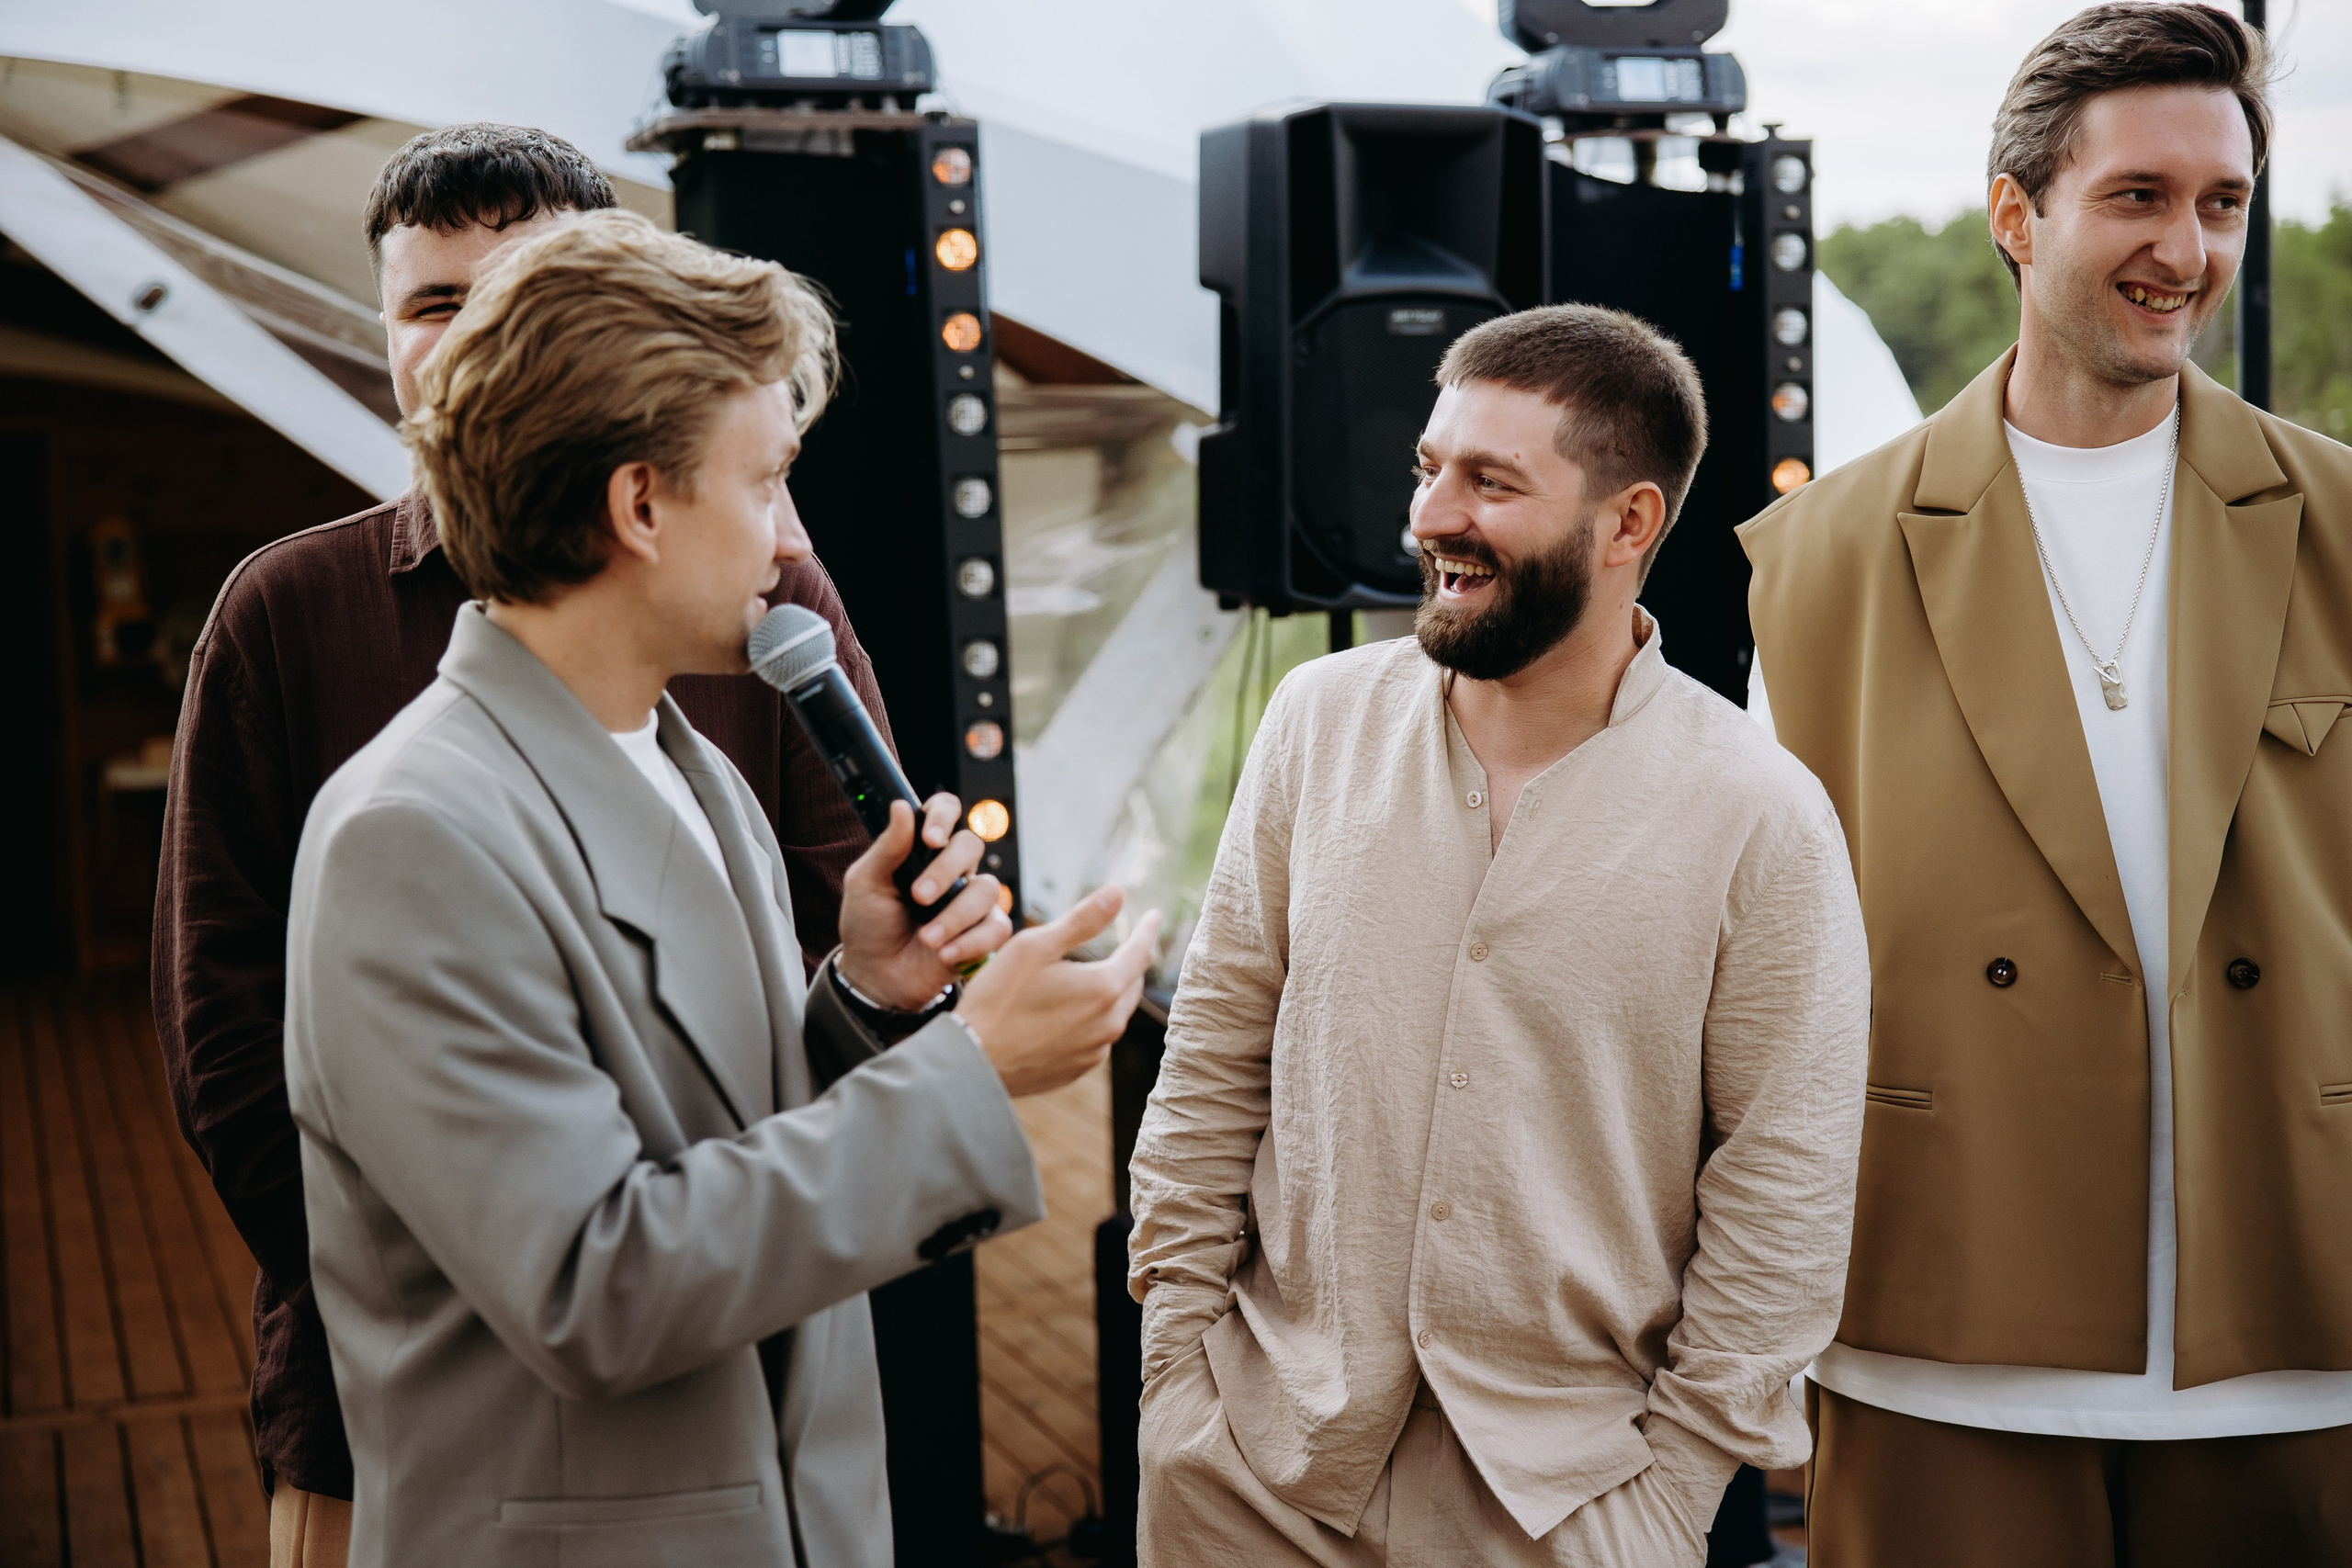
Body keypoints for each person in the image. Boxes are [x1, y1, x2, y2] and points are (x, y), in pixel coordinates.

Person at [282, 209, 1159, 1568]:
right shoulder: (411, 836)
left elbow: (711, 1134)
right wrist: (973, 1074)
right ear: (639, 505)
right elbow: (598, 1285)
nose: (792, 535)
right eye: (765, 482)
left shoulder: (689, 764)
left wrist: (867, 997)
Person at [150, 124, 892, 1564]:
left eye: (531, 291)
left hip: (733, 1385)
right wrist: (439, 1305)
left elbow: (831, 920)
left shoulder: (755, 614)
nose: (488, 336)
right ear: (384, 334)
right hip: (412, 1422)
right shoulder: (290, 618)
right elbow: (226, 1038)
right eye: (435, 304)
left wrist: (879, 997)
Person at [1740, 6, 2352, 1562]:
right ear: (2016, 216)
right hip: (1943, 1316)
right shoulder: (1815, 563)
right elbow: (1755, 966)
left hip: (2294, 1305)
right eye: (2138, 195)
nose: (2190, 250)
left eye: (2223, 203)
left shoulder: (2347, 522)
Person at [1127, 305, 1872, 1565]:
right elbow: (1213, 1055)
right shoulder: (1317, 724)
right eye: (1429, 470)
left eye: (1489, 482)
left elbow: (1786, 1186)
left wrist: (1669, 1497)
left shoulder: (1762, 816)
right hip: (1249, 1480)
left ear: (1627, 523)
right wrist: (1175, 1384)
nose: (1429, 517)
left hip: (1569, 1513)